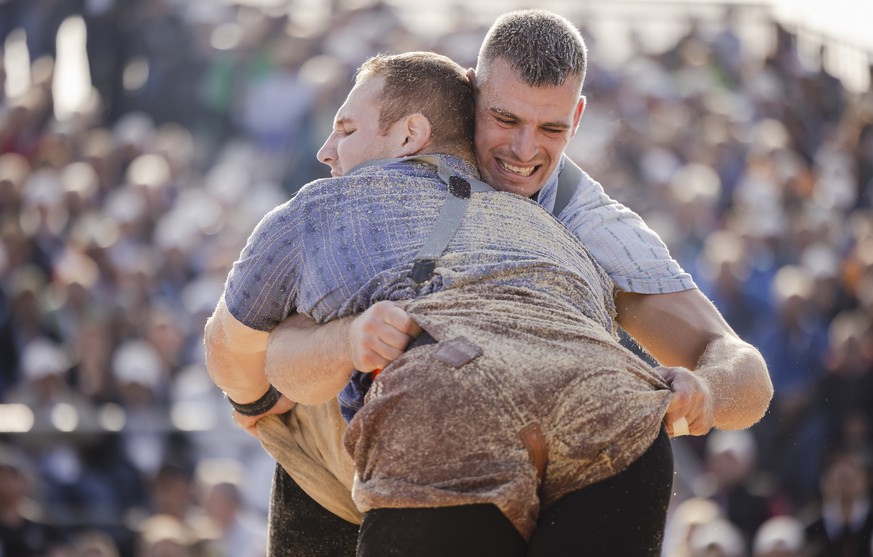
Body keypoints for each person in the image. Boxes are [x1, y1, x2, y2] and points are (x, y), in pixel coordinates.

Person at [207, 9, 773, 555]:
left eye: (550, 129)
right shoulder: (375, 182)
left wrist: (708, 392)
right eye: (505, 120)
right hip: (582, 414)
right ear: (472, 95)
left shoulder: (586, 220)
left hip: (453, 409)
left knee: (310, 378)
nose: (524, 152)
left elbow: (739, 363)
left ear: (576, 119)